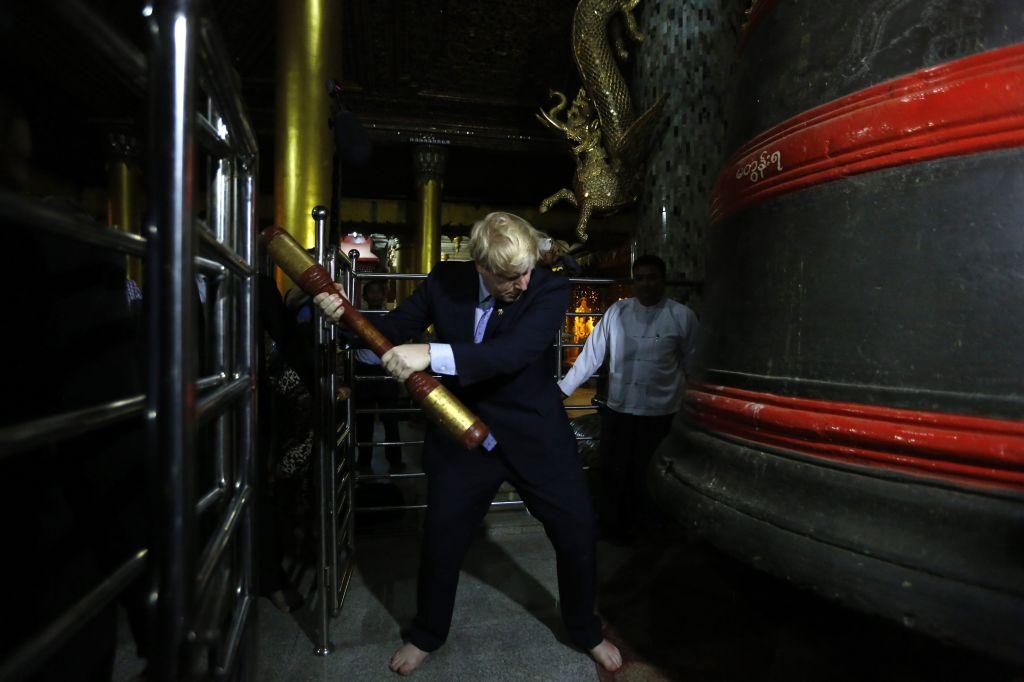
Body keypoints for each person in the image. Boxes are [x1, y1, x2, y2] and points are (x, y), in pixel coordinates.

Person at [315, 212, 622, 675]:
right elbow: (395, 328)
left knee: (577, 530)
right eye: (508, 276)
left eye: (526, 271)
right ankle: (427, 634)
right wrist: (342, 317)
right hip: (462, 432)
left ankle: (585, 629)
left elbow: (512, 353)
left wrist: (432, 353)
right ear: (480, 266)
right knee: (442, 537)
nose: (521, 283)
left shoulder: (548, 287)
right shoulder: (446, 280)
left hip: (534, 433)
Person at [557, 255, 699, 543]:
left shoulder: (682, 316)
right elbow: (592, 355)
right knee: (614, 471)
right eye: (640, 278)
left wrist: (695, 408)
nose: (646, 284)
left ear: (663, 281)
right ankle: (613, 528)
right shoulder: (616, 313)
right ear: (634, 282)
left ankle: (651, 532)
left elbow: (694, 364)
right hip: (620, 409)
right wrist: (562, 390)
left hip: (661, 413)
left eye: (652, 277)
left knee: (652, 475)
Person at [354, 280, 403, 472]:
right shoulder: (358, 317)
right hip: (364, 371)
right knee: (363, 421)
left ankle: (395, 461)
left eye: (378, 292)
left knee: (391, 420)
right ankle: (364, 462)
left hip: (386, 371)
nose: (374, 296)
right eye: (371, 293)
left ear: (384, 296)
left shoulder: (391, 317)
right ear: (365, 297)